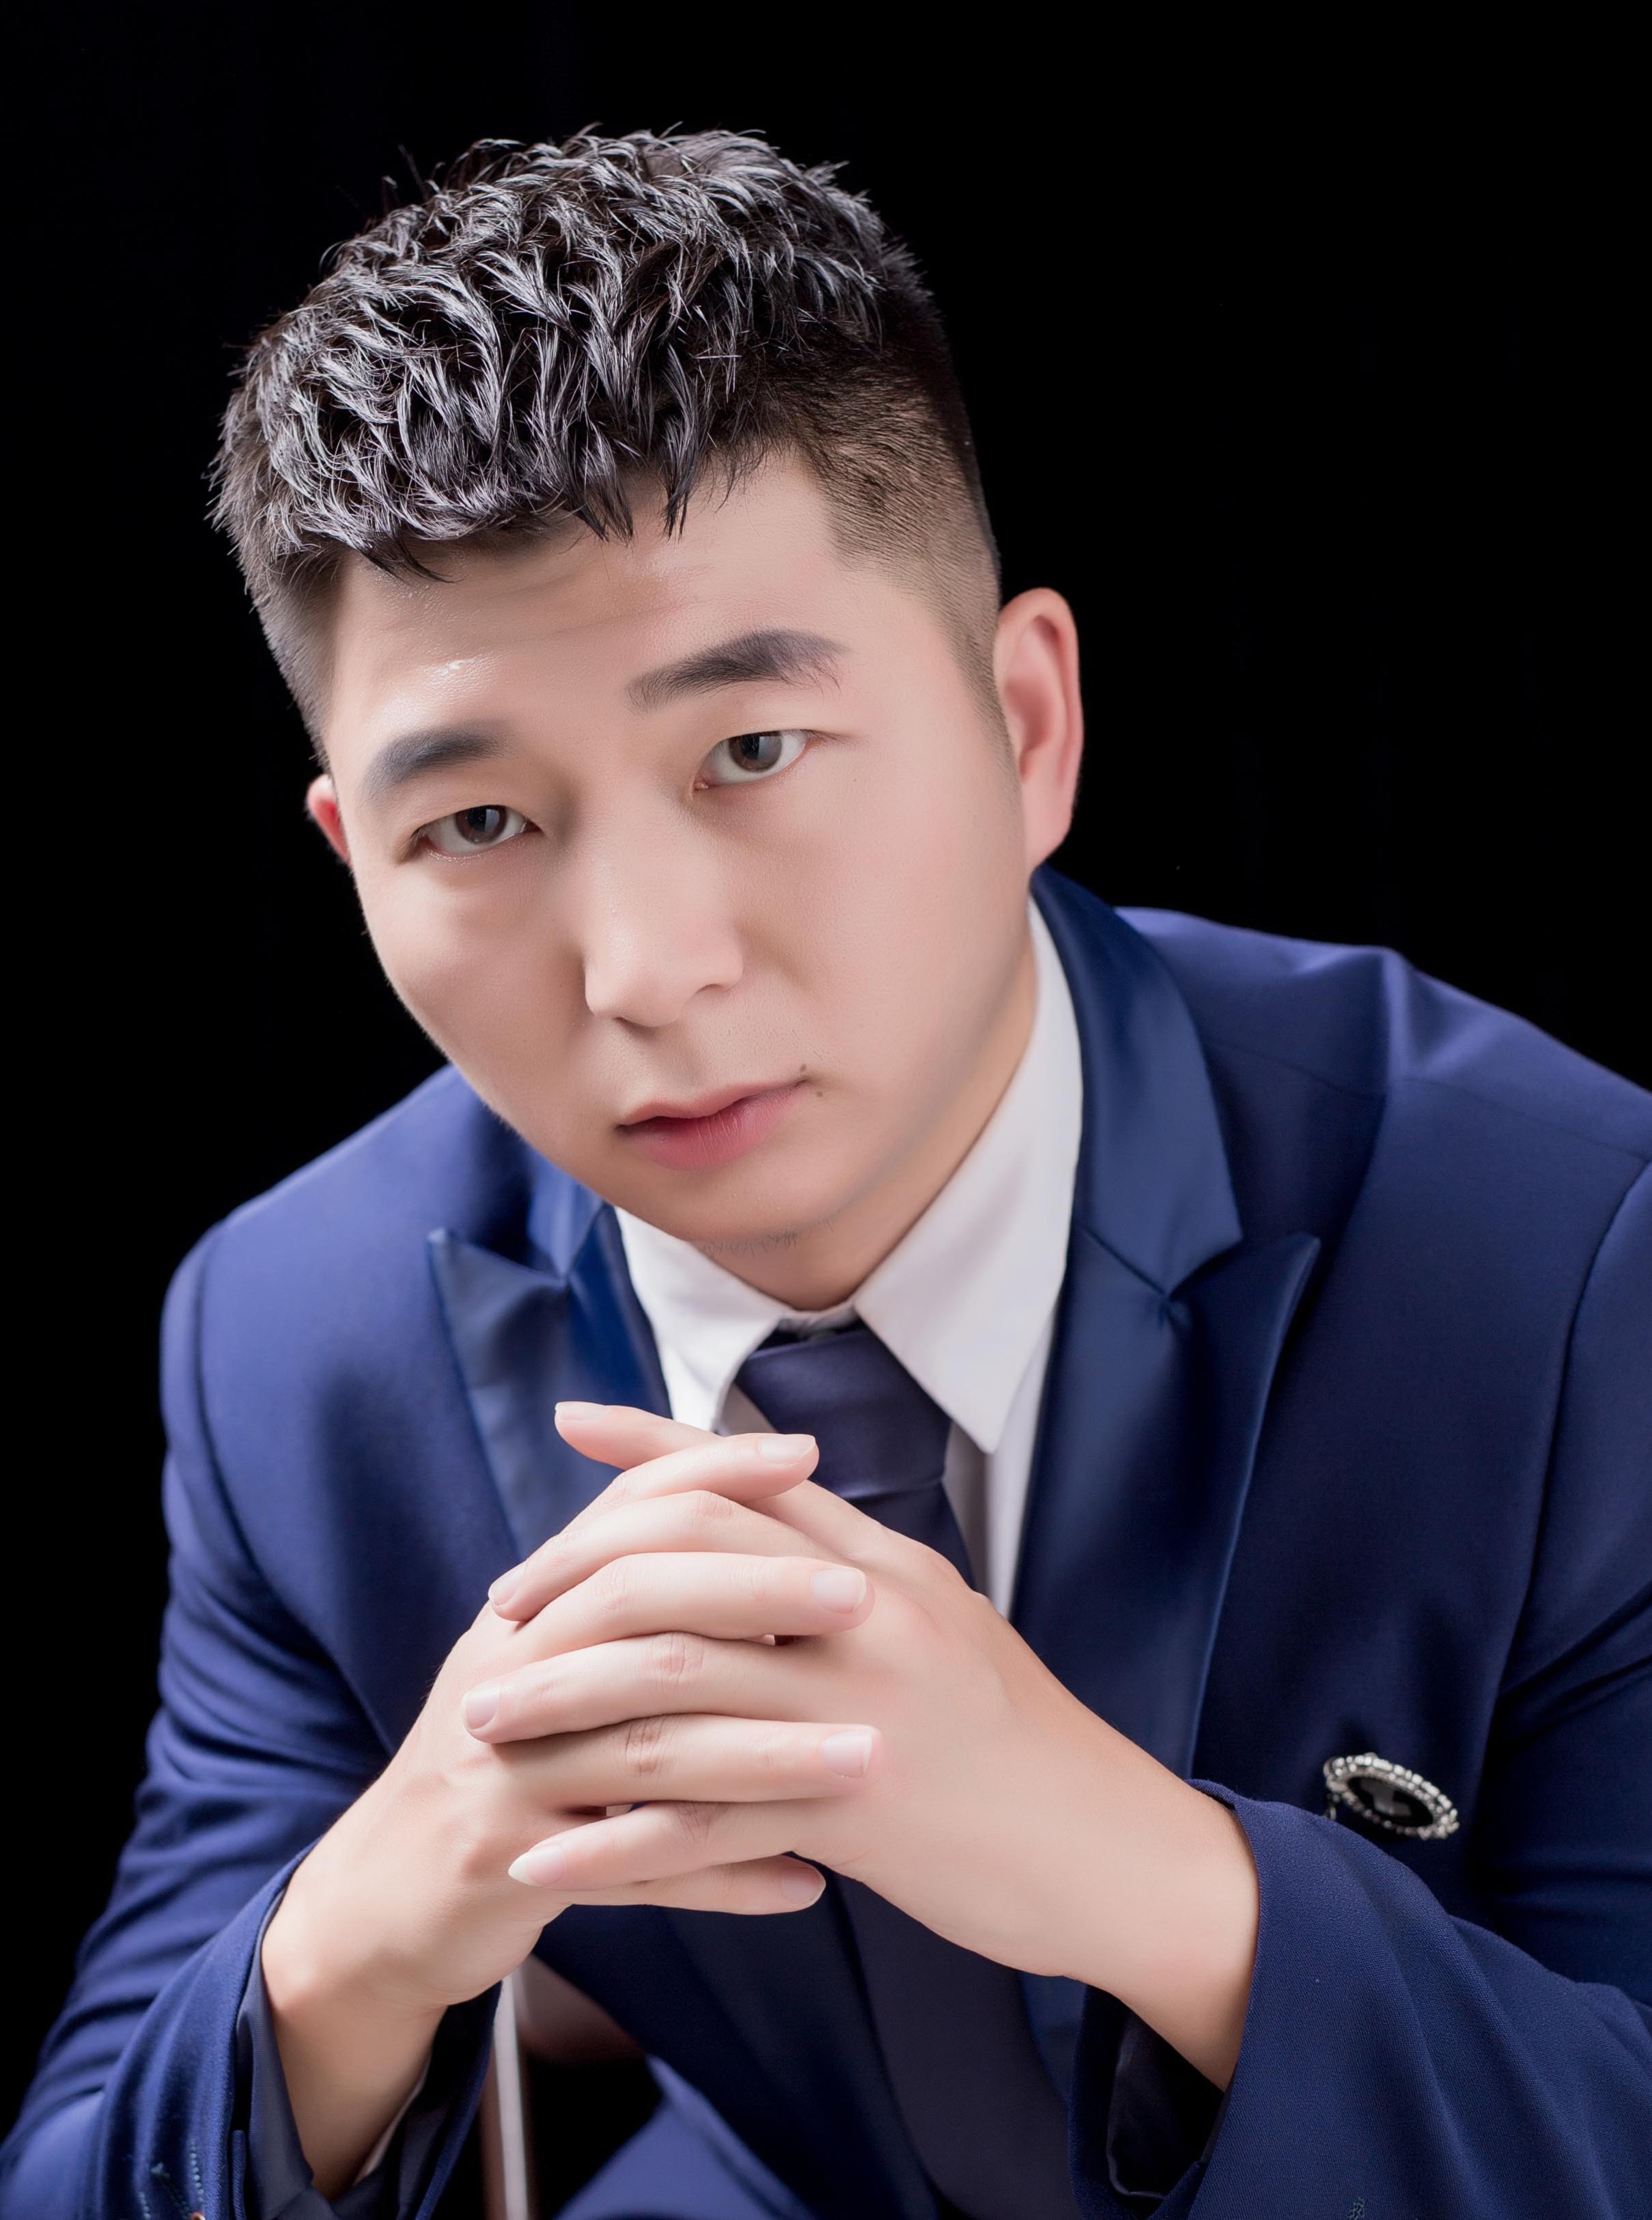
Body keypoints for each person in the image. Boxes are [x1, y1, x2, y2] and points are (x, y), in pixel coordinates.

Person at [4, 129, 1648, 2220]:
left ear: (1025, 725)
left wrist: (1148, 1876)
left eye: (751, 752)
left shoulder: (1567, 1249)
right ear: (354, 858)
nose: (644, 968)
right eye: (479, 824)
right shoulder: (295, 1342)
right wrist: (376, 1911)